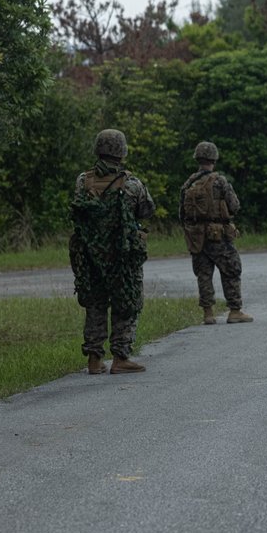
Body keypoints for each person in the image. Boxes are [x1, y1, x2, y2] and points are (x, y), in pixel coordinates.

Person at [69, 129, 155, 374]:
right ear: (122, 152)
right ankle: (120, 357)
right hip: (122, 255)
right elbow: (147, 210)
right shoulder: (132, 184)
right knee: (127, 302)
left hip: (90, 255)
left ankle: (94, 359)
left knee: (95, 303)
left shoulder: (83, 181)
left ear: (98, 149)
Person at [179, 141, 253, 325]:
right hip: (218, 235)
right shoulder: (220, 181)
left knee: (204, 274)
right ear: (214, 159)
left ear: (197, 158)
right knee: (231, 269)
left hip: (196, 236)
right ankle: (234, 311)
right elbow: (234, 206)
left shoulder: (188, 183)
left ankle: (208, 314)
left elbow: (182, 213)